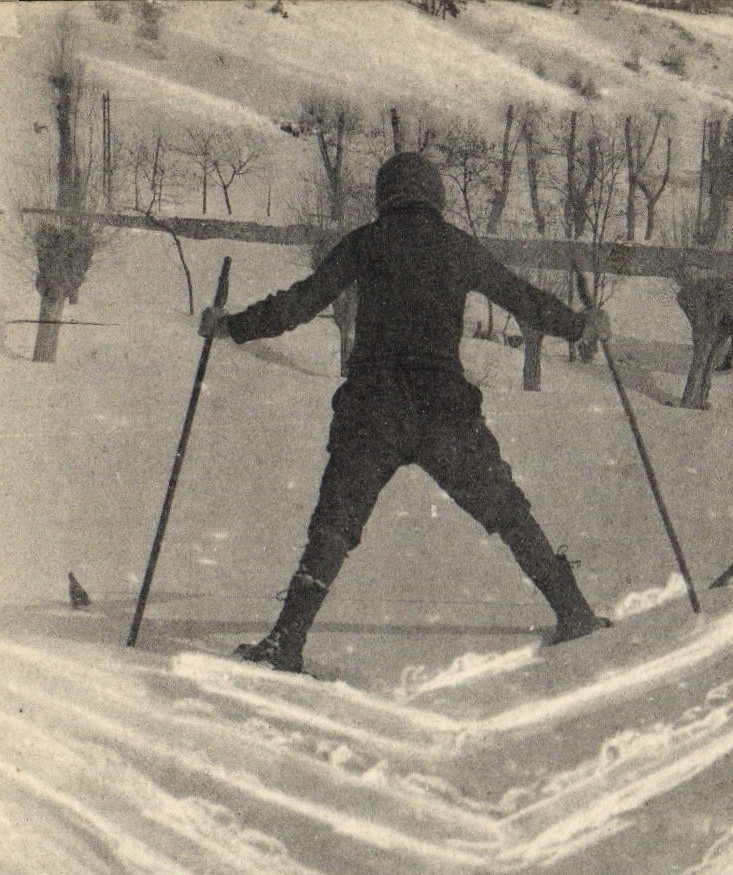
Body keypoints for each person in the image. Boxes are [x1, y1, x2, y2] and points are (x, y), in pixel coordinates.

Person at [199, 152, 611, 672]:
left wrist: (232, 325)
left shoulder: (368, 241)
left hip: (374, 407)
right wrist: (581, 327)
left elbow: (301, 302)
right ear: (435, 195)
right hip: (445, 412)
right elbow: (523, 300)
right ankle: (573, 611)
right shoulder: (458, 247)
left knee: (335, 520)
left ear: (384, 195)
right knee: (507, 510)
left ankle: (287, 639)